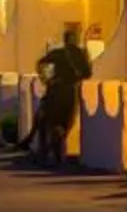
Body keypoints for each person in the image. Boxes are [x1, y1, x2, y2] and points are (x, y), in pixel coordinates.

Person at [27, 27, 93, 163]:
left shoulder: (60, 53)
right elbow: (87, 74)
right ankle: (51, 150)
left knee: (48, 118)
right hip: (69, 90)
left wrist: (45, 79)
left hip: (58, 89)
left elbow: (40, 63)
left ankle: (47, 151)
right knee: (64, 122)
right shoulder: (80, 54)